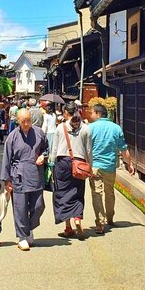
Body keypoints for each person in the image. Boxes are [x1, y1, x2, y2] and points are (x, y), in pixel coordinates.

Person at [1, 108, 48, 251]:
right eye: (23, 121)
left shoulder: (39, 133)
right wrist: (6, 180)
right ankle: (22, 236)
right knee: (20, 208)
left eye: (28, 120)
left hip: (35, 173)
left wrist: (43, 156)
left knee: (38, 205)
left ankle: (29, 228)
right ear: (18, 121)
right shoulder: (12, 136)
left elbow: (46, 148)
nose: (27, 124)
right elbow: (6, 159)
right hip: (18, 175)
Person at [88, 103, 135, 234]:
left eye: (92, 112)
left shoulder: (90, 128)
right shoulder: (116, 128)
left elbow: (85, 147)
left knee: (97, 193)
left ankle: (100, 222)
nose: (90, 115)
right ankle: (110, 217)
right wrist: (130, 164)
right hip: (110, 165)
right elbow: (123, 148)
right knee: (110, 193)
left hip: (95, 166)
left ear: (98, 114)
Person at [50, 102, 92, 238]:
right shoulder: (85, 128)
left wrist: (51, 163)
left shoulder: (60, 127)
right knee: (78, 192)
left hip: (63, 163)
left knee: (62, 193)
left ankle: (68, 227)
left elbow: (54, 149)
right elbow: (89, 150)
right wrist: (90, 166)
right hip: (79, 163)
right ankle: (78, 219)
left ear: (66, 113)